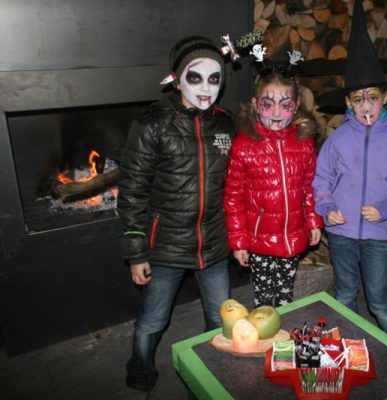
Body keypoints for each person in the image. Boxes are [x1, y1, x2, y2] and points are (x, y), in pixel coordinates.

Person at [118, 36, 235, 394]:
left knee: (219, 318)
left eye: (214, 78)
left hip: (212, 242)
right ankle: (140, 374)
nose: (205, 87)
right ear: (177, 78)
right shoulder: (152, 123)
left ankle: (206, 371)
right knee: (153, 319)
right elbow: (133, 189)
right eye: (195, 77)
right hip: (165, 244)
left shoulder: (225, 125)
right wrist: (136, 251)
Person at [312, 0, 387, 345]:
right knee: (346, 294)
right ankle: (352, 347)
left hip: (378, 234)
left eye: (371, 97)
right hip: (341, 231)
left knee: (379, 300)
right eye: (357, 99)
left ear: (385, 98)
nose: (364, 106)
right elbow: (322, 180)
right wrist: (327, 207)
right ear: (347, 103)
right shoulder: (337, 139)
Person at [224, 52, 324, 307]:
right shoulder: (244, 145)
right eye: (268, 104)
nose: (277, 113)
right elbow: (233, 197)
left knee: (285, 296)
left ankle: (282, 335)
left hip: (291, 237)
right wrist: (239, 241)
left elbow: (310, 187)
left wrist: (313, 221)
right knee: (264, 299)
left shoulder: (303, 143)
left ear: (297, 104)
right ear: (256, 104)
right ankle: (265, 334)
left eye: (285, 104)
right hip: (259, 240)